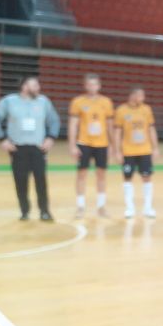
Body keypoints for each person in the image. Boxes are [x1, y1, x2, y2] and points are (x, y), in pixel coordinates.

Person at [0, 76, 60, 222]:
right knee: (20, 181)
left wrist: (51, 137)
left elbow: (54, 120)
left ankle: (44, 211)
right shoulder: (9, 101)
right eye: (35, 85)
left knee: (41, 181)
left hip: (38, 148)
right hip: (17, 148)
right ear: (24, 86)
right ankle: (24, 211)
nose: (38, 88)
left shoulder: (43, 102)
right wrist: (2, 139)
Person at [68, 73, 114, 218]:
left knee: (101, 174)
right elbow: (73, 125)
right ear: (85, 86)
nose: (92, 87)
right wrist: (72, 145)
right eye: (89, 84)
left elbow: (110, 125)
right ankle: (80, 207)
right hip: (84, 143)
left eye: (94, 84)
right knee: (81, 174)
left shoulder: (106, 102)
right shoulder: (78, 102)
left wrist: (113, 145)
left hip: (102, 144)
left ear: (99, 86)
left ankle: (101, 207)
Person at [113, 86, 159, 219]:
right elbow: (117, 132)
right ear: (133, 96)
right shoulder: (121, 110)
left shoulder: (146, 109)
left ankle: (148, 208)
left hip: (145, 150)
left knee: (147, 177)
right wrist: (117, 151)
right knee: (127, 177)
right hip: (128, 151)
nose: (143, 98)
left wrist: (155, 148)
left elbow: (151, 129)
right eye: (140, 96)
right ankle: (129, 208)